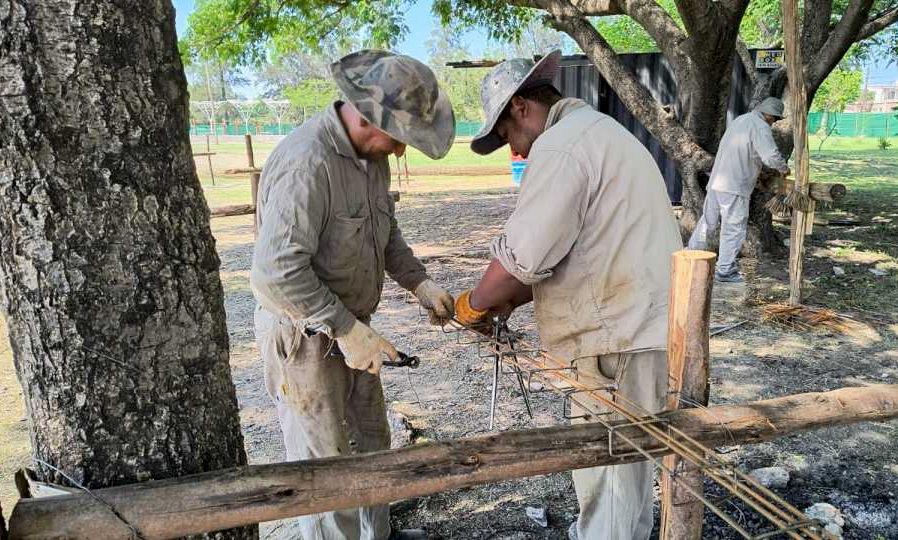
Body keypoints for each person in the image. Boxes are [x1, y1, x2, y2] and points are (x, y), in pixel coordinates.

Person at [454, 50, 683, 540]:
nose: (514, 150)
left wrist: (473, 304)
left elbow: (522, 257)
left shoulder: (560, 147)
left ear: (520, 107)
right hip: (639, 326)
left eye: (506, 137)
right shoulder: (601, 133)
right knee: (630, 467)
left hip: (616, 338)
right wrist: (512, 300)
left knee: (611, 472)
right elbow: (581, 250)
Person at [250, 50, 456, 540]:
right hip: (304, 337)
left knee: (372, 442)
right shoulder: (308, 164)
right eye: (401, 139)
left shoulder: (371, 160)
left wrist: (418, 282)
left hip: (352, 328)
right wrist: (344, 328)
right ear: (367, 117)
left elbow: (385, 234)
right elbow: (274, 272)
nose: (403, 151)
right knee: (327, 467)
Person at [687, 97, 791, 282]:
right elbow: (770, 156)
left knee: (708, 221)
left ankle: (690, 255)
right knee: (733, 228)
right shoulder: (760, 126)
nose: (774, 122)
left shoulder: (740, 121)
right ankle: (725, 270)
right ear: (768, 114)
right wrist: (784, 168)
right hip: (734, 185)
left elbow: (745, 152)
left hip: (717, 181)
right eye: (774, 118)